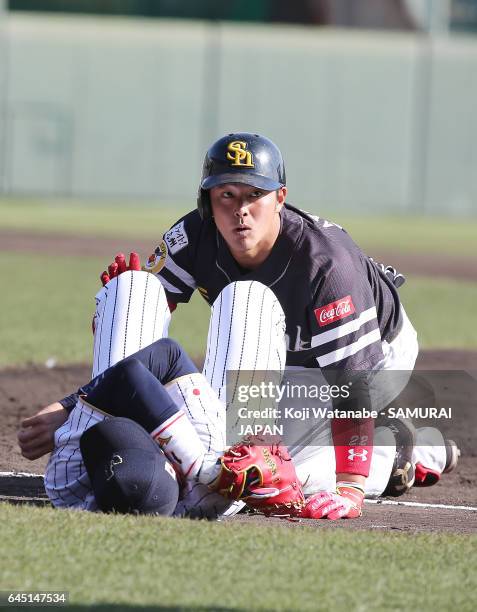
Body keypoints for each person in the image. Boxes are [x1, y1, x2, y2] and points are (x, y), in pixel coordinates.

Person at [19, 133, 459, 518]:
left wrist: (351, 488)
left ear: (280, 199)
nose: (239, 210)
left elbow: (352, 387)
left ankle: (408, 447)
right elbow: (142, 338)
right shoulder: (196, 236)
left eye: (254, 195)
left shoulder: (328, 267)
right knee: (133, 288)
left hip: (370, 357)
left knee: (294, 475)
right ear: (207, 201)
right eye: (225, 195)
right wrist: (108, 326)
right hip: (276, 353)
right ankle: (116, 450)